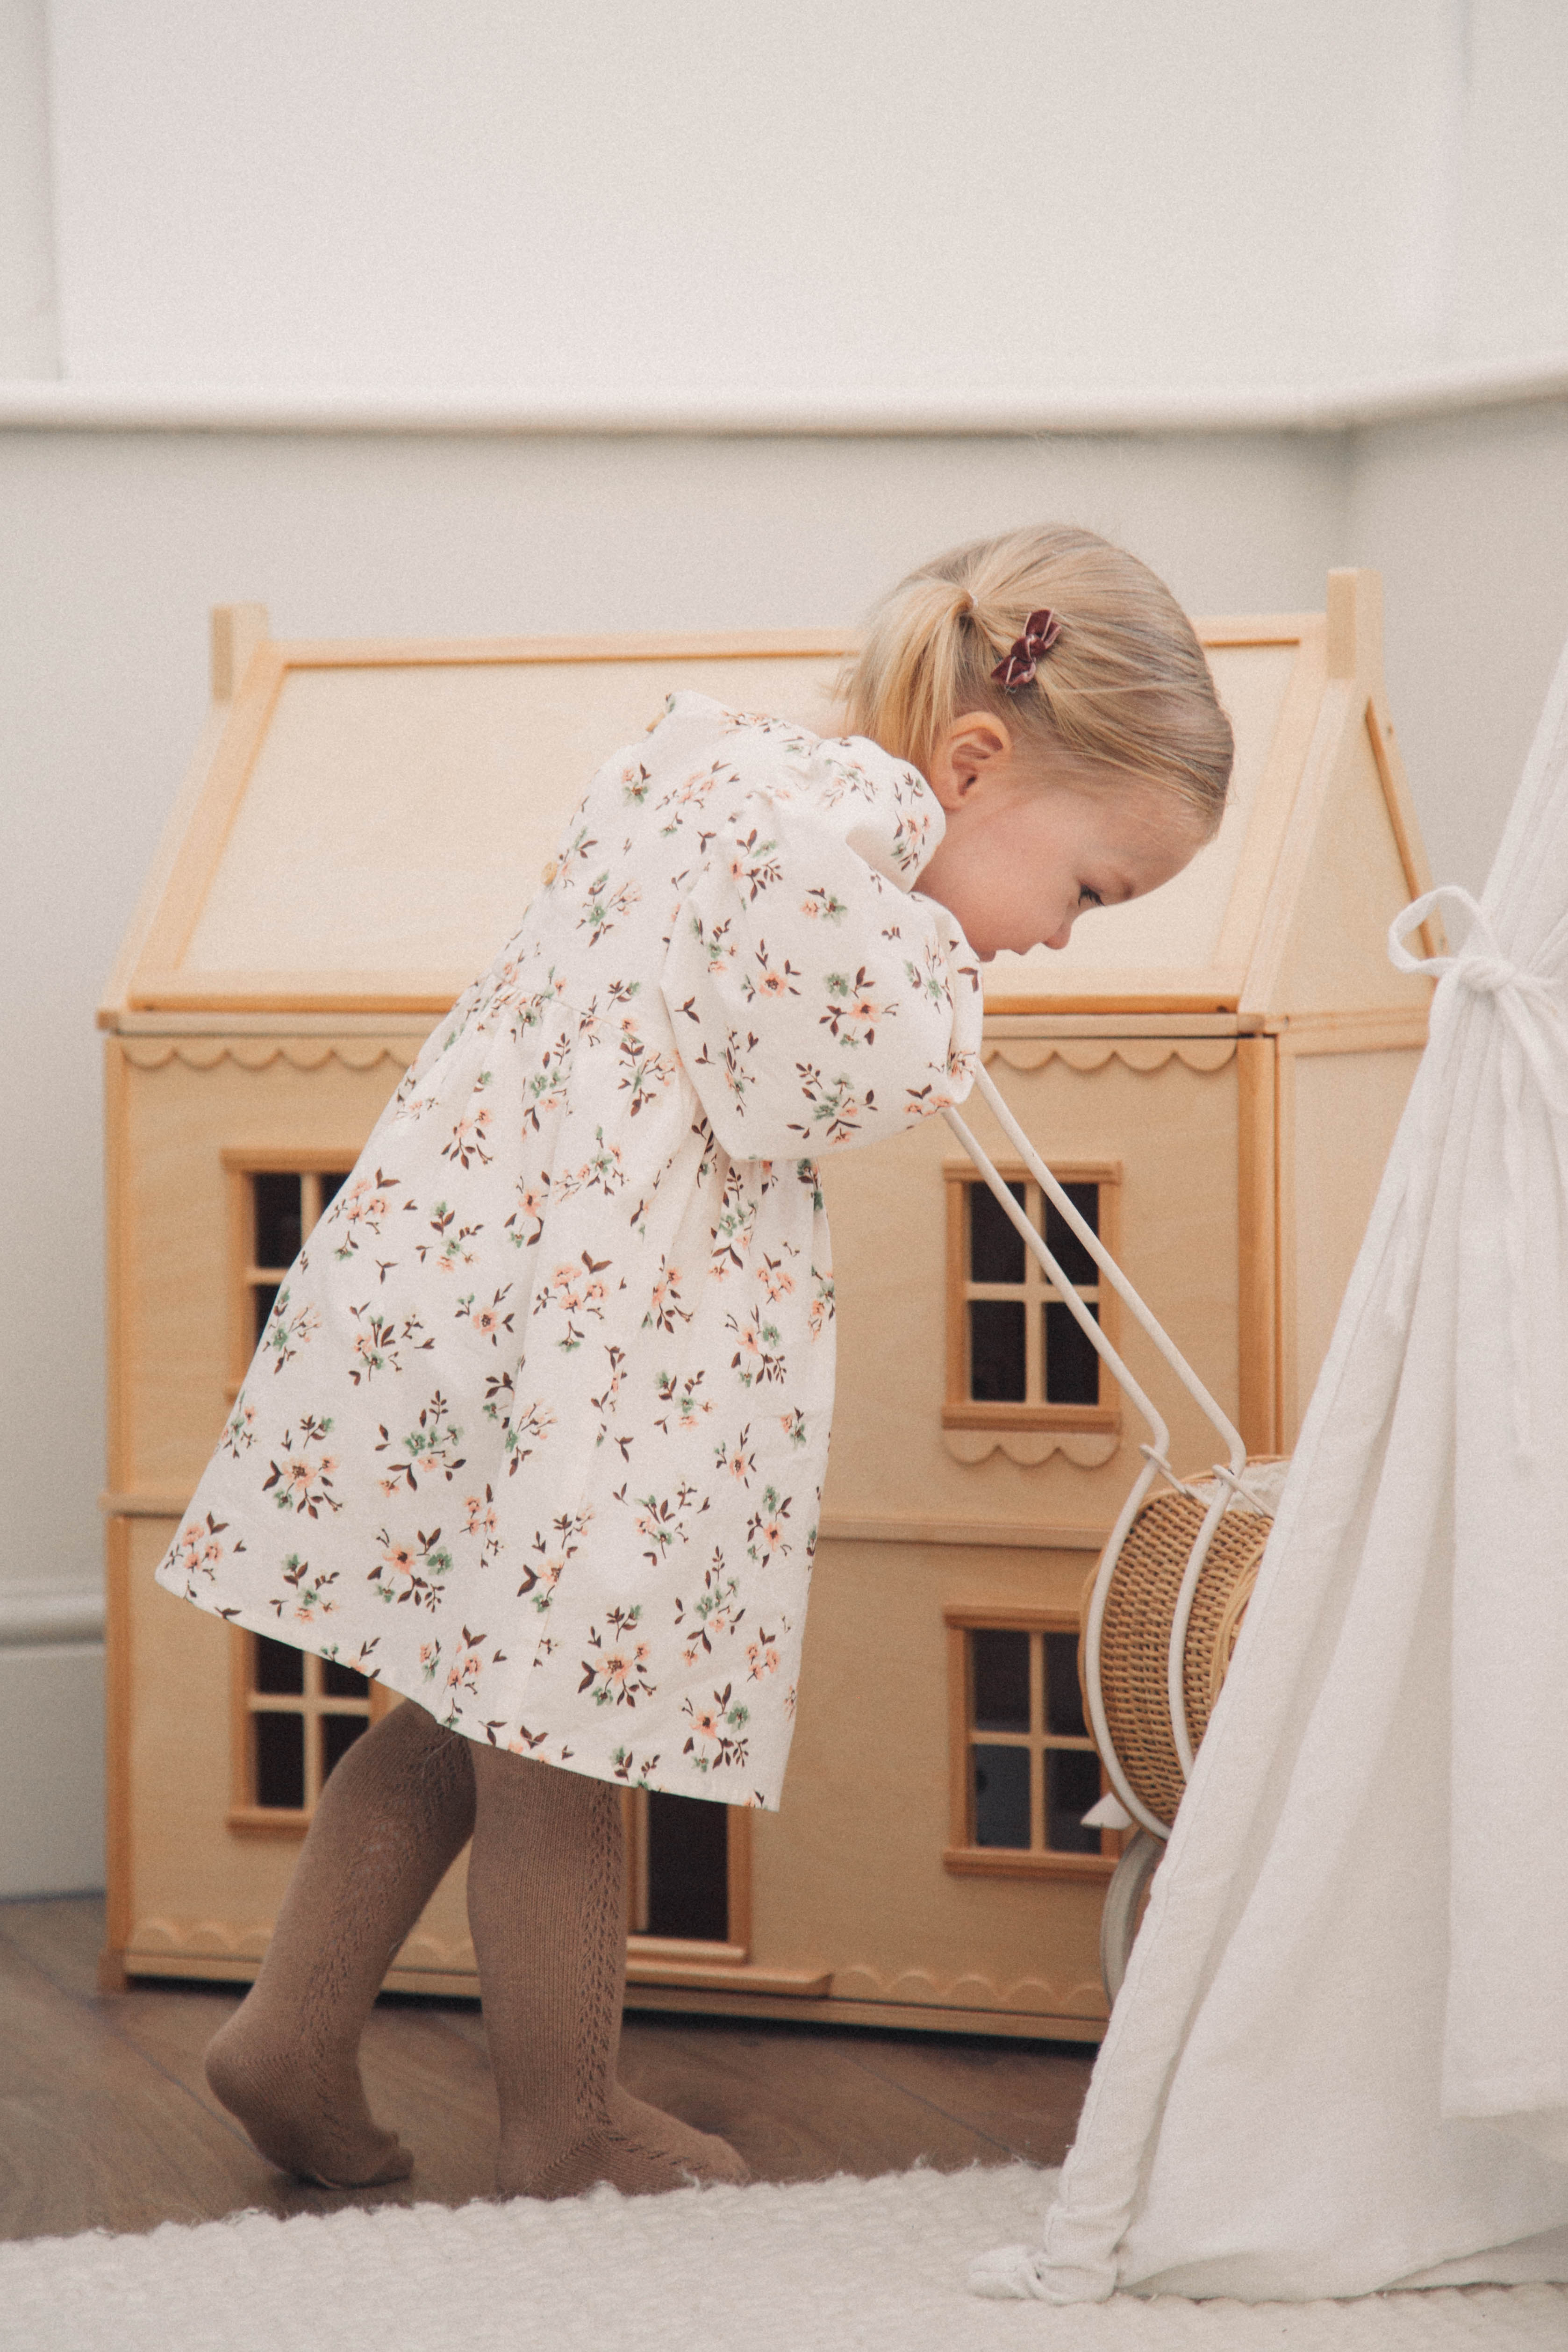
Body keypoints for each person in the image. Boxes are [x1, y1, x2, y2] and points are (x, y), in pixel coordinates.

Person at [157, 522, 1233, 2200]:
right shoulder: (835, 843)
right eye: (1087, 890)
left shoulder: (710, 778)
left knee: (459, 1699)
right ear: (973, 763)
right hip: (594, 1348)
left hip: (478, 1307)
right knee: (567, 1740)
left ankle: (288, 2033)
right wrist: (945, 980)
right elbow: (835, 1075)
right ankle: (561, 2122)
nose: (1058, 940)